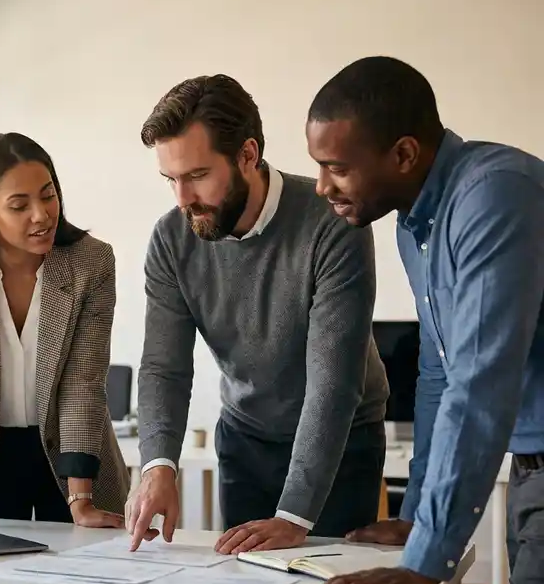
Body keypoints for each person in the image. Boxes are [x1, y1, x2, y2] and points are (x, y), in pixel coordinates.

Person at [305, 55, 544, 584]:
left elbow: (481, 382)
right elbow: (440, 373)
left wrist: (426, 560)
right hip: (530, 473)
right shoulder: (417, 222)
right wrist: (413, 518)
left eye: (337, 166)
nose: (322, 185)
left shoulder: (495, 193)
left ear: (405, 153)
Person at [126, 75, 389, 554]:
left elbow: (333, 383)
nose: (182, 198)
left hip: (342, 445)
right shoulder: (171, 239)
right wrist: (157, 465)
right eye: (171, 179)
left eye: (197, 175)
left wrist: (294, 515)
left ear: (247, 154)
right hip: (245, 440)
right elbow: (164, 366)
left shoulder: (332, 222)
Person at [0, 132, 129, 529]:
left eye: (48, 195)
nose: (42, 215)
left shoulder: (91, 262)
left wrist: (81, 500)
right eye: (19, 205)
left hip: (73, 461)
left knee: (79, 583)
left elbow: (82, 383)